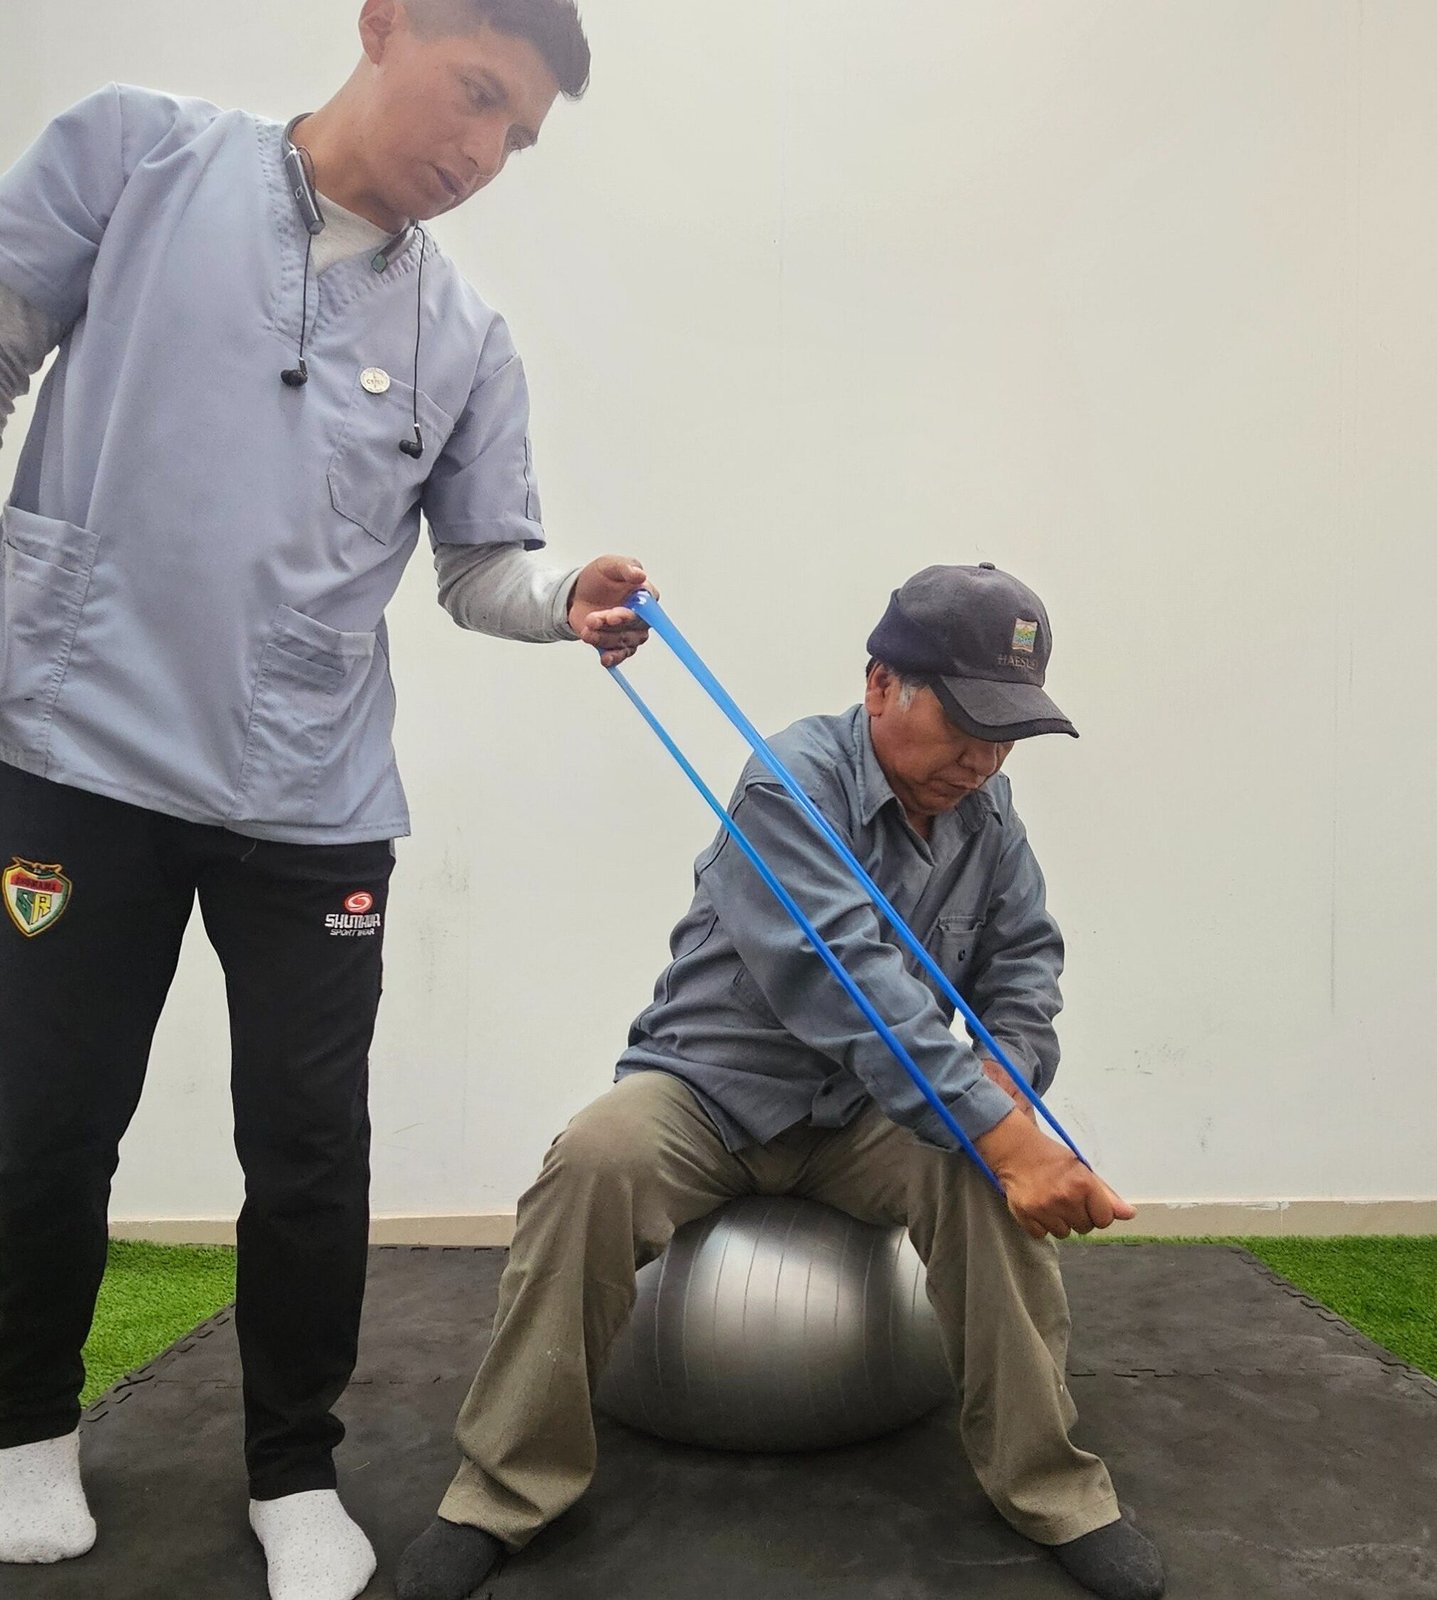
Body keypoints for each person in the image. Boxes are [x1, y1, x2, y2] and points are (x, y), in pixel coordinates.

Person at [0, 4, 653, 1597]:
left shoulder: (464, 338)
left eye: (517, 137)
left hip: (310, 792)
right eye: (476, 95)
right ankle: (23, 1428)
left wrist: (563, 596)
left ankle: (293, 1469)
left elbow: (479, 569)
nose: (482, 153)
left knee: (308, 1149)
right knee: (44, 1116)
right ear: (385, 22)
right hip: (75, 747)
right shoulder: (135, 157)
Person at [398, 564, 1166, 1600]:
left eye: (1007, 734)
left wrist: (1006, 1077)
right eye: (966, 724)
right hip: (709, 1093)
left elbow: (1024, 962)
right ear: (881, 683)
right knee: (591, 1161)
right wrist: (998, 1129)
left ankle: (1055, 1490)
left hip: (864, 1114)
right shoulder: (786, 783)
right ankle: (500, 1493)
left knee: (986, 1180)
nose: (984, 760)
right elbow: (846, 980)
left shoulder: (988, 815)